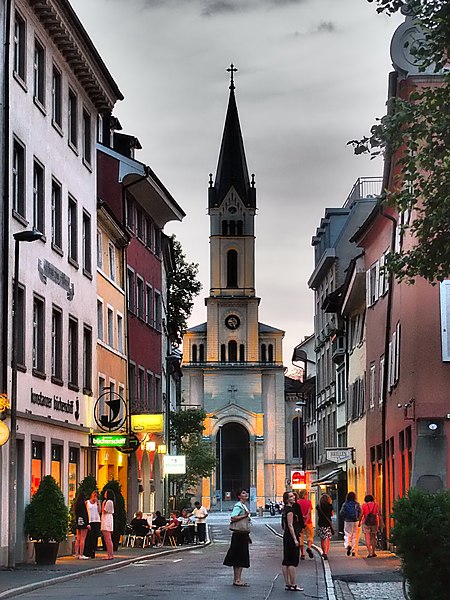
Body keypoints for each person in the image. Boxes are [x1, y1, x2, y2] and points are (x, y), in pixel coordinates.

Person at [223, 489, 251, 587]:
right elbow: (233, 517)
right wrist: (244, 516)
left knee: (240, 557)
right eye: (243, 493)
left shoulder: (243, 505)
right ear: (239, 496)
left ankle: (238, 579)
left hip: (242, 534)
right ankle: (237, 579)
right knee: (239, 556)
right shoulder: (238, 506)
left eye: (246, 492)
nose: (246, 494)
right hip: (239, 534)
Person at [282, 491, 304, 592]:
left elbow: (285, 525)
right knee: (292, 561)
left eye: (293, 495)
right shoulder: (290, 510)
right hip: (291, 536)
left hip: (286, 536)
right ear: (287, 499)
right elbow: (290, 525)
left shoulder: (285, 510)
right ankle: (293, 584)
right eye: (291, 496)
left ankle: (288, 584)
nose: (294, 497)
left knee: (286, 560)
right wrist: (295, 539)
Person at [358, 494, 381, 558]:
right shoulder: (376, 505)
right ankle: (373, 552)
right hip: (374, 522)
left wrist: (359, 522)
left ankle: (370, 552)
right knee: (373, 537)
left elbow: (361, 514)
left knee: (367, 537)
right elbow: (379, 514)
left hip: (366, 522)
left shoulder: (364, 505)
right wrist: (381, 523)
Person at [340, 491, 362, 557]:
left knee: (347, 534)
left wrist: (344, 518)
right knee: (355, 536)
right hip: (356, 521)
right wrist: (359, 520)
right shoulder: (357, 504)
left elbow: (341, 512)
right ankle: (354, 551)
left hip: (347, 521)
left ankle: (348, 545)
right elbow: (360, 512)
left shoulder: (345, 504)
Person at [83, 490, 101, 558]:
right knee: (89, 537)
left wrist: (98, 503)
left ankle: (93, 551)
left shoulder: (98, 502)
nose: (95, 497)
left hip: (96, 520)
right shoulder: (87, 502)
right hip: (90, 520)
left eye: (96, 496)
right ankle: (87, 551)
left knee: (95, 537)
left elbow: (99, 511)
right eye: (94, 495)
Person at [297, 490, 314, 560]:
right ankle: (309, 547)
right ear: (305, 495)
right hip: (308, 522)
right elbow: (309, 513)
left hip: (299, 523)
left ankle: (302, 554)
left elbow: (298, 513)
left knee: (301, 538)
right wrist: (306, 521)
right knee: (310, 536)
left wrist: (302, 518)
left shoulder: (297, 502)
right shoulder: (309, 502)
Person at [316, 493, 334, 560]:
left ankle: (323, 552)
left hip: (321, 523)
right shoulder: (330, 506)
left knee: (322, 539)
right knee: (327, 538)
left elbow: (318, 514)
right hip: (327, 524)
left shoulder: (319, 506)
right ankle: (326, 553)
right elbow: (332, 514)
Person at [73, 491, 90, 559]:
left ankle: (76, 553)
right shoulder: (83, 504)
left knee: (78, 538)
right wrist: (87, 523)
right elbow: (85, 514)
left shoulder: (76, 504)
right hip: (83, 521)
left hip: (78, 520)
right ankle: (81, 554)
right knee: (83, 538)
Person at [101, 488, 115, 560]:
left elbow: (104, 510)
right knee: (107, 538)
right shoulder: (109, 501)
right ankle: (110, 554)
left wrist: (103, 504)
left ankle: (110, 554)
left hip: (107, 519)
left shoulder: (109, 502)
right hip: (106, 518)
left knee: (108, 538)